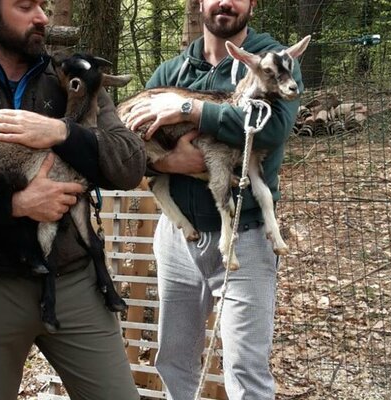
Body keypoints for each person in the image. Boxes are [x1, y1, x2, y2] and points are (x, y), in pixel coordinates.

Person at [0, 1, 145, 399]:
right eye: (25, 6)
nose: (42, 17)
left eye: (43, 5)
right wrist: (15, 207)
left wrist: (61, 133)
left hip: (75, 283)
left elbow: (129, 164)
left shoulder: (74, 78)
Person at [124, 0, 303, 399]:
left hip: (246, 236)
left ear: (252, 3)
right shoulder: (172, 71)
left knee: (245, 369)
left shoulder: (275, 59)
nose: (225, 1)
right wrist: (170, 163)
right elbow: (131, 146)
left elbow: (270, 131)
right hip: (178, 241)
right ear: (200, 3)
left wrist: (190, 109)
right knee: (174, 360)